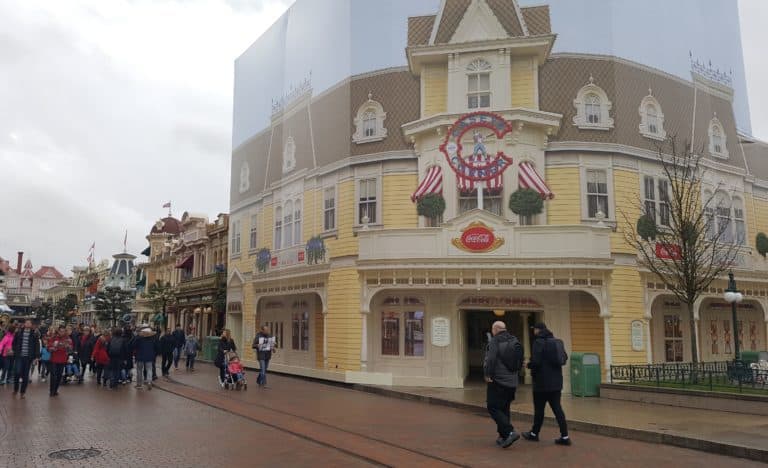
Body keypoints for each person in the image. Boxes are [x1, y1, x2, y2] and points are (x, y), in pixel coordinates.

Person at [522, 322, 571, 446]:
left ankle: (534, 434)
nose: (533, 331)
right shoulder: (557, 342)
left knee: (539, 410)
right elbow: (564, 358)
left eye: (534, 329)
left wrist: (528, 365)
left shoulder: (538, 342)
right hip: (556, 383)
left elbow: (536, 362)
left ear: (538, 330)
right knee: (558, 409)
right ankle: (565, 436)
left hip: (541, 383)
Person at [484, 321, 522, 449]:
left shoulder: (495, 341)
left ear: (495, 329)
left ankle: (510, 432)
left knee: (492, 407)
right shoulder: (514, 340)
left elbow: (491, 359)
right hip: (512, 382)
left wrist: (487, 374)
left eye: (492, 329)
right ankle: (503, 436)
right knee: (504, 408)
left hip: (498, 381)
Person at [11, 320, 40, 398]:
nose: (27, 324)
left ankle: (22, 392)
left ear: (31, 325)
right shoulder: (19, 332)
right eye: (26, 323)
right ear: (24, 324)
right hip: (19, 356)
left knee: (25, 375)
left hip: (28, 357)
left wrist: (36, 356)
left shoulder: (34, 334)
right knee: (17, 372)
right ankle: (16, 389)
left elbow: (37, 345)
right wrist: (14, 350)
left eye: (29, 323)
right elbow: (14, 343)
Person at [48, 325, 73, 397]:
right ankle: (51, 391)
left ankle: (55, 390)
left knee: (59, 376)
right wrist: (53, 348)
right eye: (60, 331)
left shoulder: (68, 339)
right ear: (58, 331)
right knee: (53, 376)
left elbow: (70, 350)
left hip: (62, 360)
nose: (62, 332)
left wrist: (68, 347)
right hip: (54, 359)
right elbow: (49, 347)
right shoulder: (54, 338)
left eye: (63, 331)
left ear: (65, 332)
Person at [134, 324, 157, 390]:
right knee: (149, 369)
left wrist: (136, 336)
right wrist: (154, 354)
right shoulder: (153, 338)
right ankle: (149, 382)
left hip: (140, 356)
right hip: (149, 356)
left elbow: (133, 345)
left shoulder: (139, 338)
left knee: (139, 370)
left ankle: (139, 384)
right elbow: (156, 347)